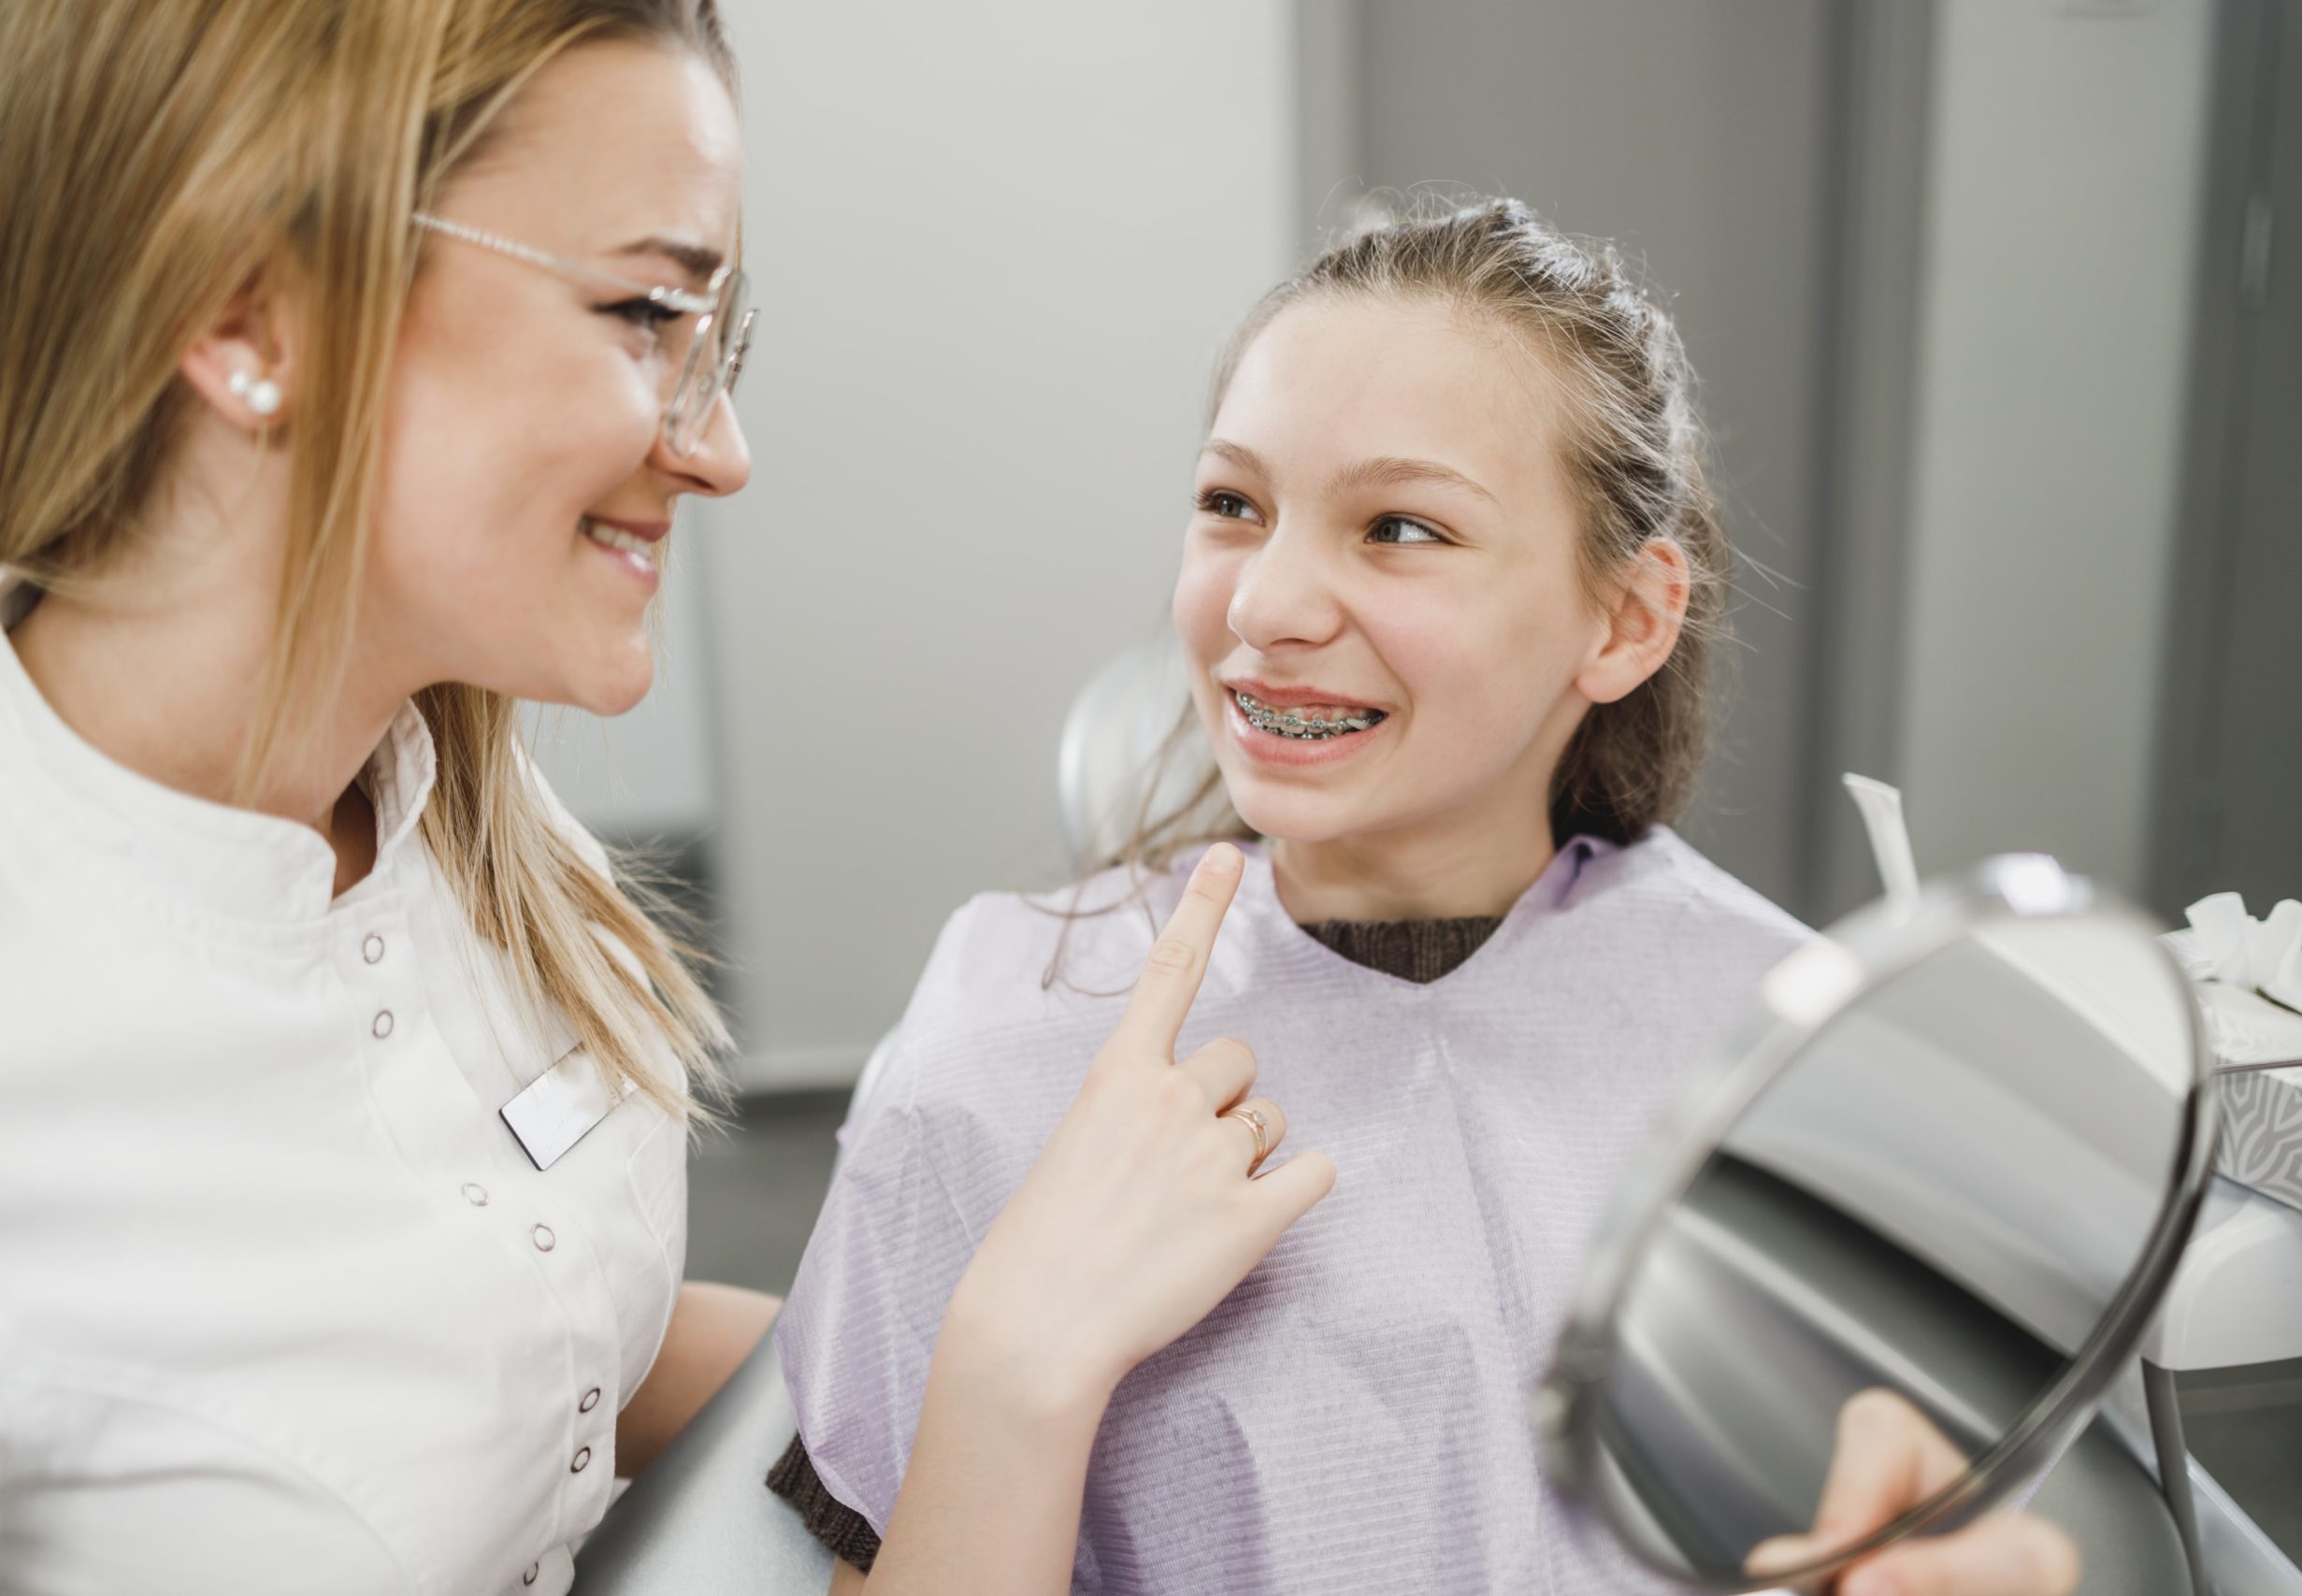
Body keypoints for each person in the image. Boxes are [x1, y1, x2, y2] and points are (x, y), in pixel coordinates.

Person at [0, 4, 1328, 1592]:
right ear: (251, 318)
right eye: (644, 314)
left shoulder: (451, 822)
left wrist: (1014, 1390)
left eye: (718, 339)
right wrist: (1012, 1363)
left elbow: (543, 1365)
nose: (723, 451)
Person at [773, 199, 2082, 1595]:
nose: (1266, 605)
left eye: (1399, 527)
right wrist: (1017, 1362)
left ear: (1626, 620)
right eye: (1233, 505)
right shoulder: (1008, 1037)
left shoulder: (1794, 1049)